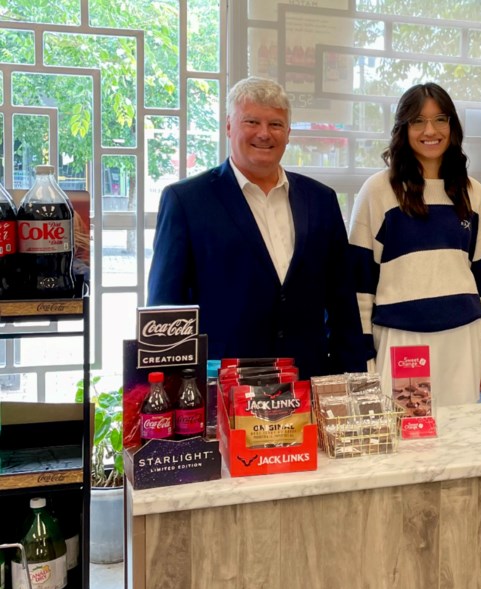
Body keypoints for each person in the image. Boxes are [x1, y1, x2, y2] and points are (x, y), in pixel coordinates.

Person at [148, 76, 368, 378]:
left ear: (288, 132)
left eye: (275, 124)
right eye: (251, 122)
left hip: (306, 380)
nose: (264, 134)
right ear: (229, 126)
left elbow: (342, 302)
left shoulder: (320, 200)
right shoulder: (186, 201)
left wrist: (351, 378)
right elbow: (165, 310)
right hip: (223, 388)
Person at [349, 82, 481, 407]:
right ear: (403, 129)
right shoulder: (378, 190)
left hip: (462, 340)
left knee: (461, 441)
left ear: (452, 125)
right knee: (409, 445)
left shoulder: (472, 192)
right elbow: (359, 284)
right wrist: (362, 356)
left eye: (440, 120)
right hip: (403, 342)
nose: (430, 130)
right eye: (418, 121)